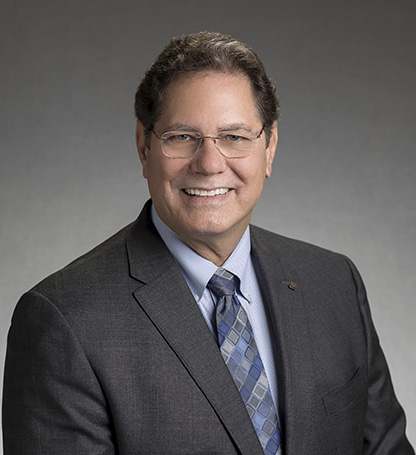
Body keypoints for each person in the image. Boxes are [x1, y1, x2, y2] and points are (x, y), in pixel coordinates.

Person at [2, 31, 414, 455]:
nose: (210, 163)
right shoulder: (65, 321)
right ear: (144, 146)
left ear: (270, 147)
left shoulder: (334, 283)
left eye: (234, 137)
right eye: (182, 137)